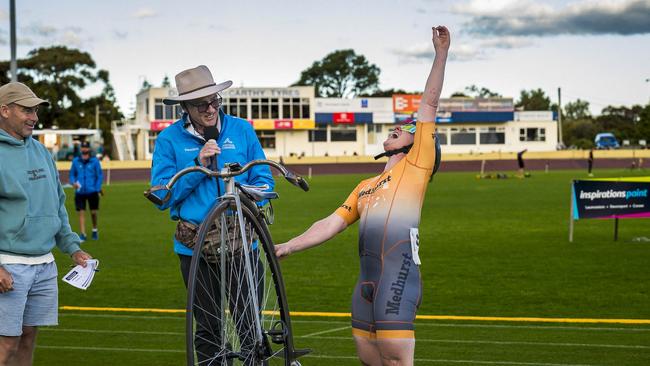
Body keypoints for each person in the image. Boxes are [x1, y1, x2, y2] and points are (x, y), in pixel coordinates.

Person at [275, 26, 450, 366]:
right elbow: (329, 224)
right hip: (365, 287)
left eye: (409, 128)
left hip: (398, 281)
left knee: (396, 362)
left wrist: (440, 54)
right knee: (370, 362)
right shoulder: (365, 186)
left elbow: (429, 103)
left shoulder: (417, 166)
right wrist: (288, 245)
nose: (400, 126)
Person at [150, 65, 274, 363]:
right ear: (185, 107)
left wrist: (252, 194)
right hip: (195, 246)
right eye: (201, 103)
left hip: (242, 241)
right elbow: (162, 195)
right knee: (208, 328)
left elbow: (264, 178)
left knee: (250, 325)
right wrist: (198, 163)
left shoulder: (242, 129)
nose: (210, 108)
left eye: (214, 100)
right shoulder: (169, 140)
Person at [0, 82, 92, 366]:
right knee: (5, 345)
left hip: (43, 263)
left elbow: (57, 205)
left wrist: (73, 248)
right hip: (9, 265)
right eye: (26, 110)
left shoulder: (41, 152)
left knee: (28, 337)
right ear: (4, 110)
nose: (34, 117)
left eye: (36, 110)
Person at [69, 141, 104, 241]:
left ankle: (94, 229)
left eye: (86, 147)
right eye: (82, 148)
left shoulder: (95, 161)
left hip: (92, 191)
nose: (84, 149)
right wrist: (73, 182)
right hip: (80, 191)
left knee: (93, 212)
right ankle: (82, 234)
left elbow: (99, 175)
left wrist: (97, 188)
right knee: (81, 212)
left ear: (89, 149)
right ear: (81, 149)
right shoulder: (76, 161)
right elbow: (72, 174)